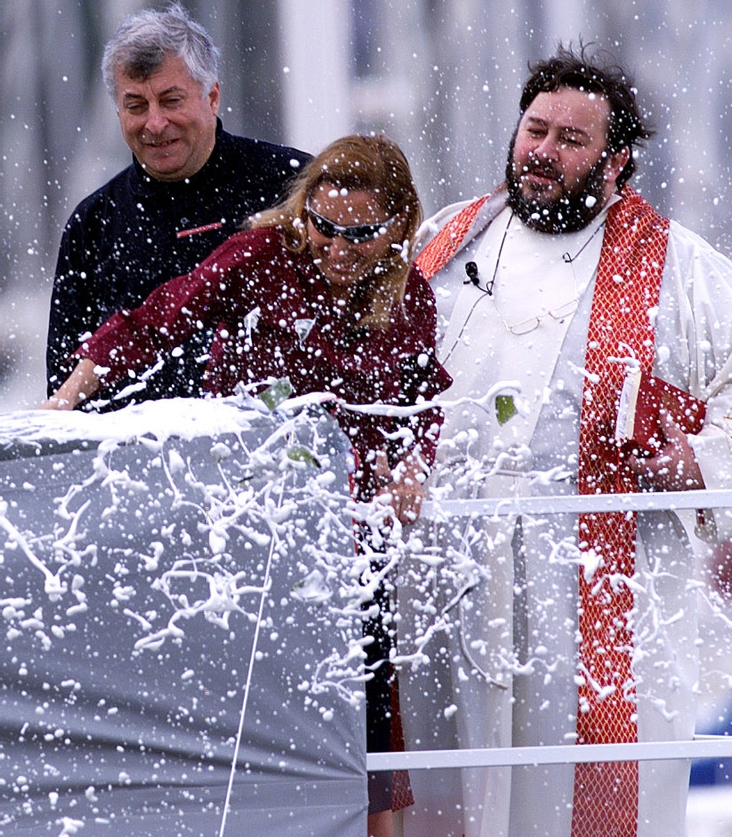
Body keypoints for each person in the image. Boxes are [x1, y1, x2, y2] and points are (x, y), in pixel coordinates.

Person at [44, 132, 453, 837]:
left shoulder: (408, 296)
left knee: (364, 693)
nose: (335, 247)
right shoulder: (264, 257)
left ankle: (376, 827)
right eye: (322, 226)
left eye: (357, 233)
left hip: (351, 530)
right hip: (248, 516)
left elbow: (424, 397)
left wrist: (413, 470)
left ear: (395, 228)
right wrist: (64, 402)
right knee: (247, 700)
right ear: (304, 212)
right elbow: (155, 320)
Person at [396, 43, 732, 837]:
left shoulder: (683, 269)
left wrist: (701, 460)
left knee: (571, 793)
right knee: (453, 792)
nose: (542, 153)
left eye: (570, 140)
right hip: (451, 571)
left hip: (596, 587)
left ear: (618, 165)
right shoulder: (449, 241)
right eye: (534, 130)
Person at [46, 1, 309, 405]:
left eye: (171, 101)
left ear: (213, 97)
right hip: (125, 463)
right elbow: (63, 393)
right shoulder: (93, 224)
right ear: (118, 111)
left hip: (275, 453)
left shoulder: (292, 184)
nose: (154, 123)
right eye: (136, 106)